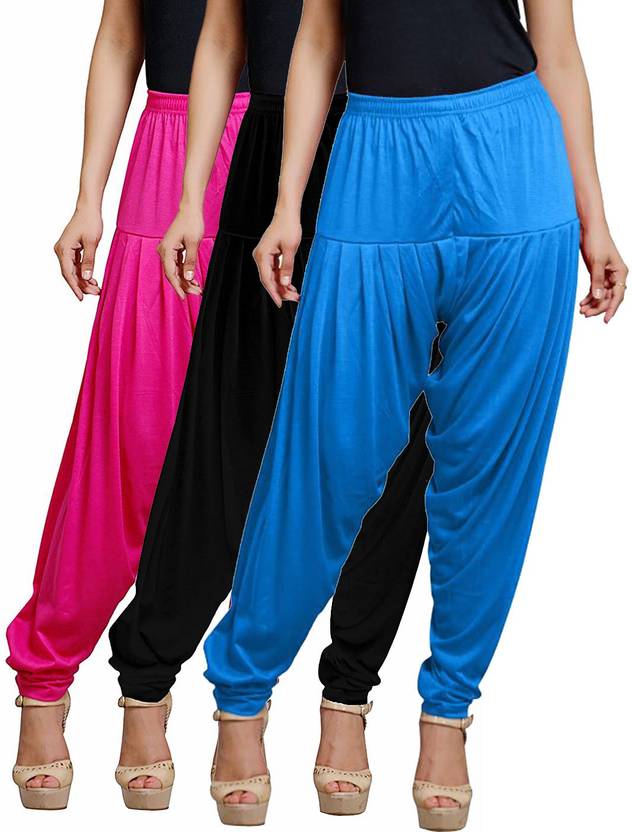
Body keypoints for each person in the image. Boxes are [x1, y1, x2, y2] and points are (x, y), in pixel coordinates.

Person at [203, 1, 628, 828]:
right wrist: (288, 204)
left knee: (488, 470)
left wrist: (596, 216)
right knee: (326, 454)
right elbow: (318, 37)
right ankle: (243, 695)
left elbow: (559, 53)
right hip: (376, 159)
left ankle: (449, 711)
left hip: (516, 164)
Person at [108, 0, 437, 813]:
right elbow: (223, 33)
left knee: (399, 443)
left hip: (404, 144)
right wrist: (192, 197)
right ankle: (148, 677)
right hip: (273, 142)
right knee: (227, 427)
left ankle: (348, 693)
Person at [7, 0, 248, 810]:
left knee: (265, 466)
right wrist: (89, 196)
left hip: (299, 145)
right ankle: (45, 675)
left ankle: (164, 683)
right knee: (131, 450)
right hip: (171, 148)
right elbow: (121, 34)